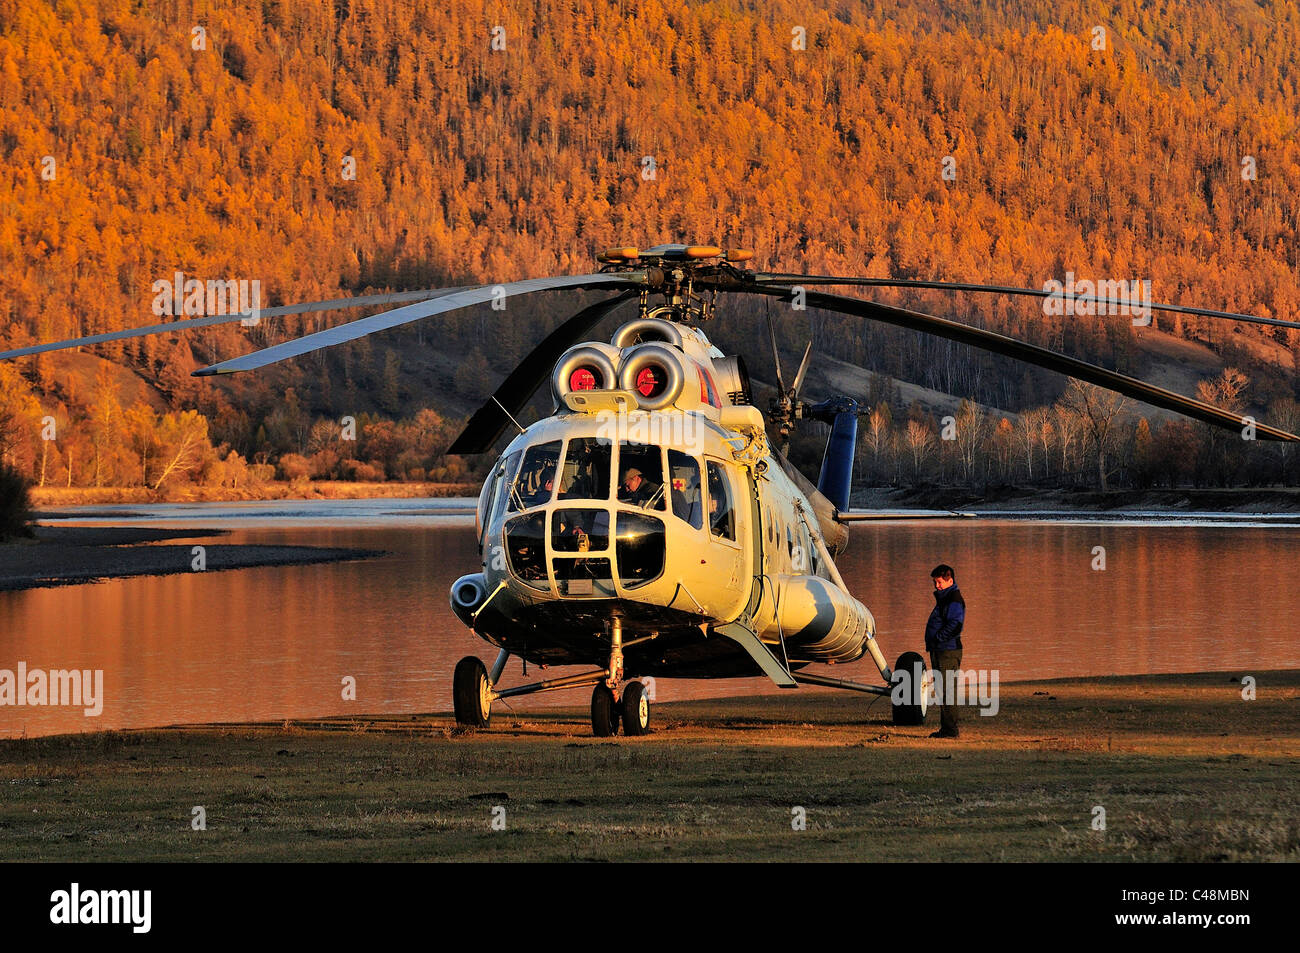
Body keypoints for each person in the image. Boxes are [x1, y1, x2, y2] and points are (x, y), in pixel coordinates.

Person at [924, 563, 965, 738]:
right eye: (935, 583)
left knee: (947, 690)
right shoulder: (946, 598)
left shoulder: (953, 599)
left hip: (947, 651)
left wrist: (938, 638)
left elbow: (955, 625)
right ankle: (947, 728)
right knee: (942, 689)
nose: (937, 586)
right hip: (940, 650)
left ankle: (950, 730)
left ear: (950, 580)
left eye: (939, 582)